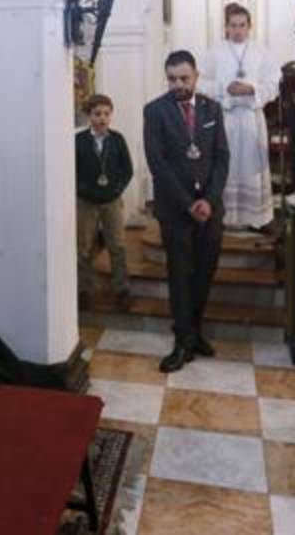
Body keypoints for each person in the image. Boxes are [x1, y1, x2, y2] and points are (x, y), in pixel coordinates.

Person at [143, 51, 229, 372]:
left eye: (184, 78)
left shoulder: (212, 108)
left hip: (211, 208)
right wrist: (188, 203)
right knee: (180, 274)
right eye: (172, 79)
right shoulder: (154, 111)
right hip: (176, 209)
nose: (178, 84)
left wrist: (209, 199)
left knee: (205, 272)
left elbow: (222, 157)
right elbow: (158, 164)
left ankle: (194, 332)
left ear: (196, 76)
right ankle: (182, 342)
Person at [199, 3, 279, 231]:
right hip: (226, 119)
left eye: (242, 25)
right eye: (233, 25)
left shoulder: (260, 51)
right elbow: (201, 84)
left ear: (249, 26)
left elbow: (274, 84)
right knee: (226, 166)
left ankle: (257, 218)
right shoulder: (215, 52)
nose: (237, 30)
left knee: (252, 167)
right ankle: (224, 217)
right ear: (226, 27)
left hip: (252, 120)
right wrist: (226, 88)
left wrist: (251, 88)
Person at [76, 94, 134, 307]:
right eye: (97, 114)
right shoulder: (79, 141)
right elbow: (72, 171)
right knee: (84, 245)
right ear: (89, 115)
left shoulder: (117, 139)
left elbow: (127, 170)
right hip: (86, 202)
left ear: (111, 116)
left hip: (112, 201)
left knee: (117, 245)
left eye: (106, 114)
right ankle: (83, 289)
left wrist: (116, 189)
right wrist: (83, 190)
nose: (102, 118)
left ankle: (121, 288)